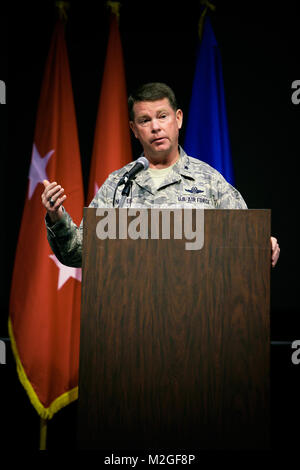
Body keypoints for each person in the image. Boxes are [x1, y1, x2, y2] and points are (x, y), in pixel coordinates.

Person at [42, 82, 280, 268]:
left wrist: (263, 245)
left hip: (200, 314)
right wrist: (57, 217)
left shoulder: (210, 181)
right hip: (131, 316)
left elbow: (244, 239)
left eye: (162, 116)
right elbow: (81, 253)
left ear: (178, 119)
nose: (155, 127)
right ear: (134, 129)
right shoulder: (118, 184)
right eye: (145, 120)